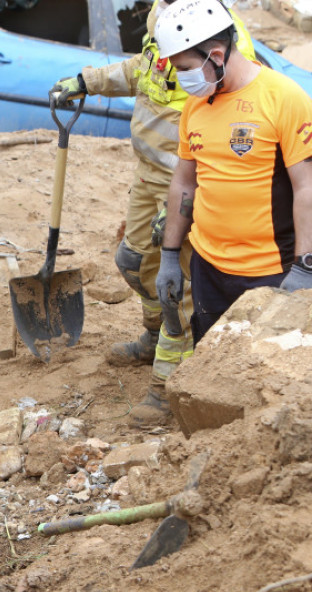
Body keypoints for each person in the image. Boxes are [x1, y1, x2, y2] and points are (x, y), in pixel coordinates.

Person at [50, 0, 254, 426]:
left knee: (175, 287)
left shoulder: (216, 40)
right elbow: (142, 71)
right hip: (150, 177)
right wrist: (86, 81)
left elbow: (231, 132)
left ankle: (166, 388)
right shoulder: (164, 17)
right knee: (132, 261)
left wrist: (189, 204)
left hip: (186, 185)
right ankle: (151, 335)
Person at [154, 0, 312, 343]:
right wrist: (169, 256)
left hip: (270, 275)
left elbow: (307, 188)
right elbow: (184, 183)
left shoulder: (284, 98)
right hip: (208, 271)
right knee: (212, 368)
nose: (182, 80)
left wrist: (305, 266)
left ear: (217, 55)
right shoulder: (195, 107)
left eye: (185, 68)